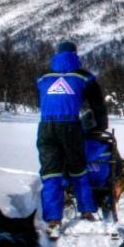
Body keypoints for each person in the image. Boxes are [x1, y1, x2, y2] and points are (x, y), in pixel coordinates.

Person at [36, 41, 98, 233]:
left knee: (50, 171)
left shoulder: (43, 78)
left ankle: (53, 219)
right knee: (78, 168)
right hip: (70, 126)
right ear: (75, 55)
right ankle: (86, 210)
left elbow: (42, 100)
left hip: (46, 126)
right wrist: (99, 126)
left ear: (56, 55)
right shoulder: (84, 77)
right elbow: (98, 105)